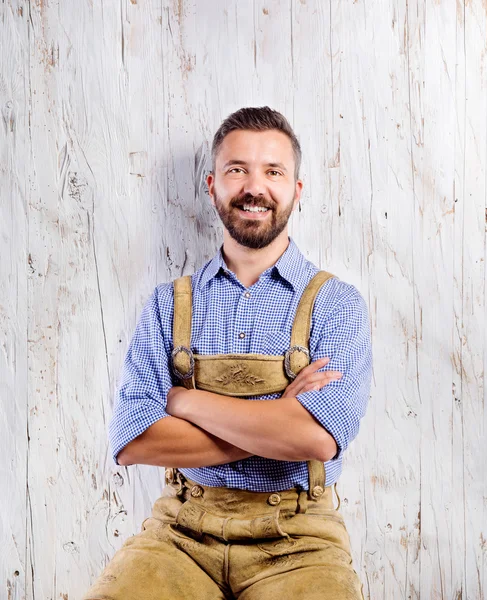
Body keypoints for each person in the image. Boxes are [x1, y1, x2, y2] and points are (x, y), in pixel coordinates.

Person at [83, 106, 372, 600]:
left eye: (273, 172)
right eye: (238, 170)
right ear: (213, 185)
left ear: (296, 191)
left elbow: (319, 440)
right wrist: (279, 419)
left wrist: (184, 403)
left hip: (298, 537)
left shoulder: (336, 303)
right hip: (181, 531)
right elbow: (134, 442)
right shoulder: (167, 304)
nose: (254, 187)